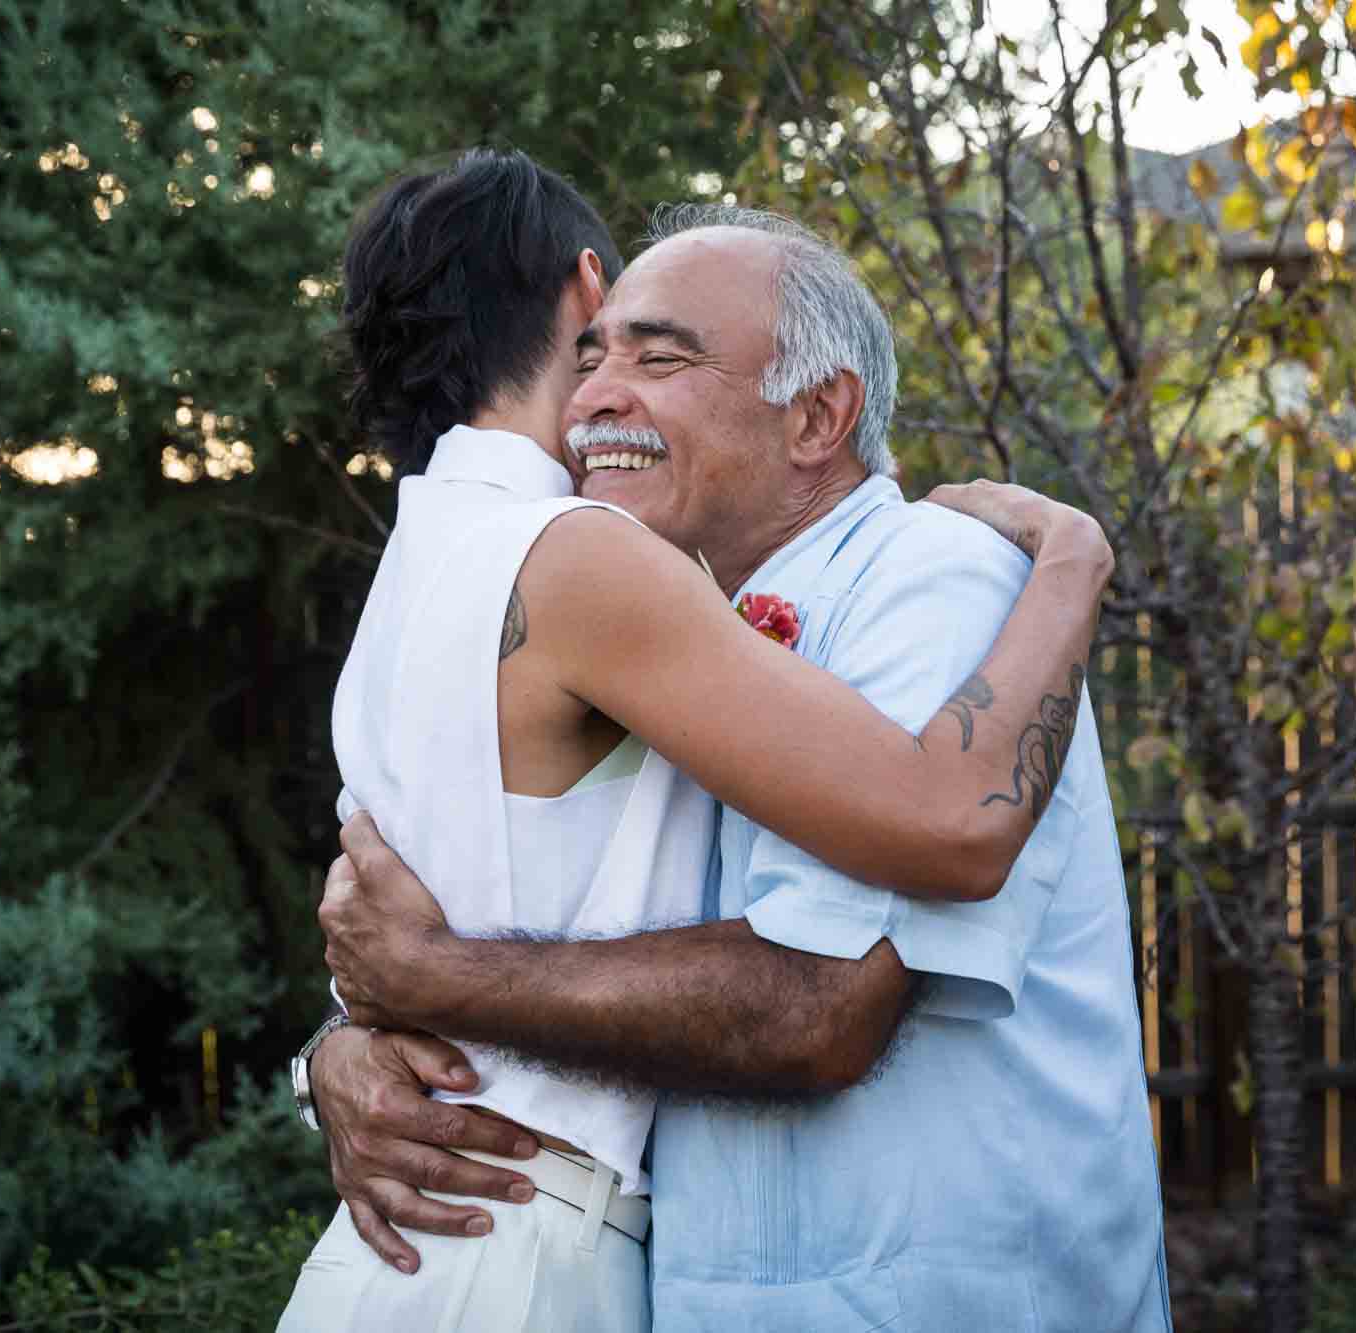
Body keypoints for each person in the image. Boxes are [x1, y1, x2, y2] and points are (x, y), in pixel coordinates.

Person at [277, 153, 1117, 1333]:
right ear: (582, 286)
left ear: (816, 411)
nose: (602, 394)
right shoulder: (576, 563)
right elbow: (944, 817)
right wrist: (1076, 560)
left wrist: (382, 1011)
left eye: (656, 355)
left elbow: (818, 992)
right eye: (604, 348)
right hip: (510, 1250)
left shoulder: (421, 569)